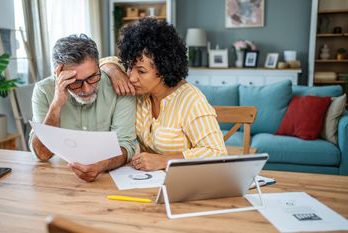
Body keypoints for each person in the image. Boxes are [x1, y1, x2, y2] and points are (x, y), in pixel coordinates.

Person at [100, 18, 227, 171]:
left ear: (164, 69)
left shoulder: (191, 100)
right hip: (147, 183)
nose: (131, 77)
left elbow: (217, 153)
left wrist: (164, 160)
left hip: (184, 184)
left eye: (141, 71)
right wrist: (113, 71)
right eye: (129, 67)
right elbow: (107, 61)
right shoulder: (141, 92)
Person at [30, 34, 136, 182]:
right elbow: (42, 154)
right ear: (58, 74)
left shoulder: (119, 87)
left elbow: (126, 145)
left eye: (92, 77)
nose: (86, 89)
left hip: (109, 179)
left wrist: (101, 165)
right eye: (75, 82)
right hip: (60, 177)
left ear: (99, 65)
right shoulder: (43, 90)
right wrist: (56, 104)